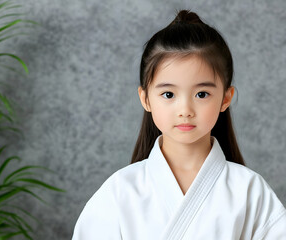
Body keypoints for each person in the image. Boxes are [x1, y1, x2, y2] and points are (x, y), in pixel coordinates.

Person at [72, 9, 286, 239]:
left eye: (202, 94)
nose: (185, 110)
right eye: (168, 94)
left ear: (225, 98)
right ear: (145, 99)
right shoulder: (119, 191)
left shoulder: (250, 191)